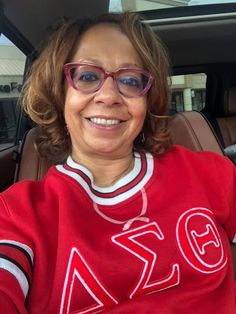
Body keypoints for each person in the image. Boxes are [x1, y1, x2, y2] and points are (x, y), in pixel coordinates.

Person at [0, 12, 235, 314]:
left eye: (129, 80)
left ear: (148, 100)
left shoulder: (208, 173)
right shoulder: (19, 214)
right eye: (87, 76)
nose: (109, 96)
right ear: (59, 93)